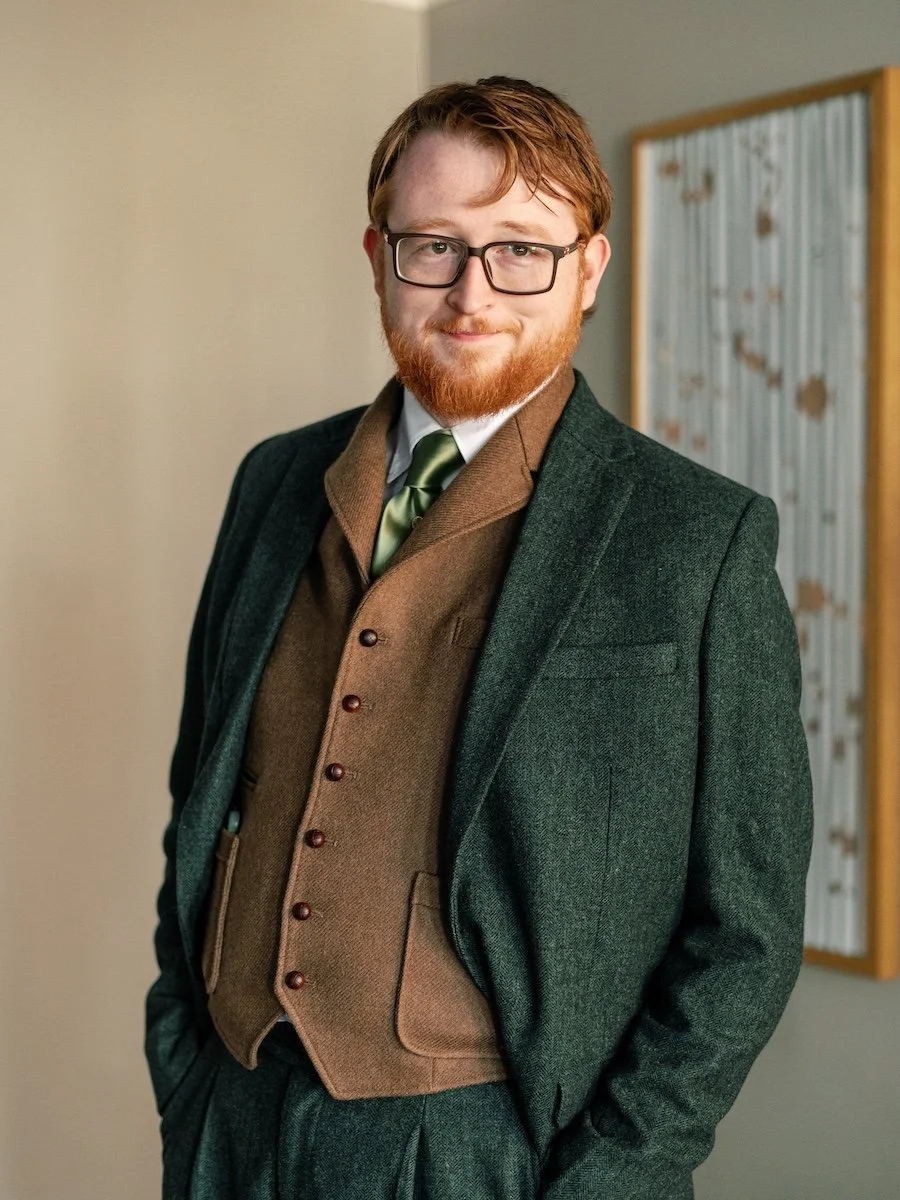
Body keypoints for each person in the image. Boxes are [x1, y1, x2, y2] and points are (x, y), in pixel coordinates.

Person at [145, 76, 813, 1200]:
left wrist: (611, 1177)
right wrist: (184, 1068)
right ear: (376, 256)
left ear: (589, 267)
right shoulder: (272, 483)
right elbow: (202, 798)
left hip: (488, 1153)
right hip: (231, 1121)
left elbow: (746, 932)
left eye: (521, 250)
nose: (472, 292)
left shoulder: (696, 538)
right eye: (434, 246)